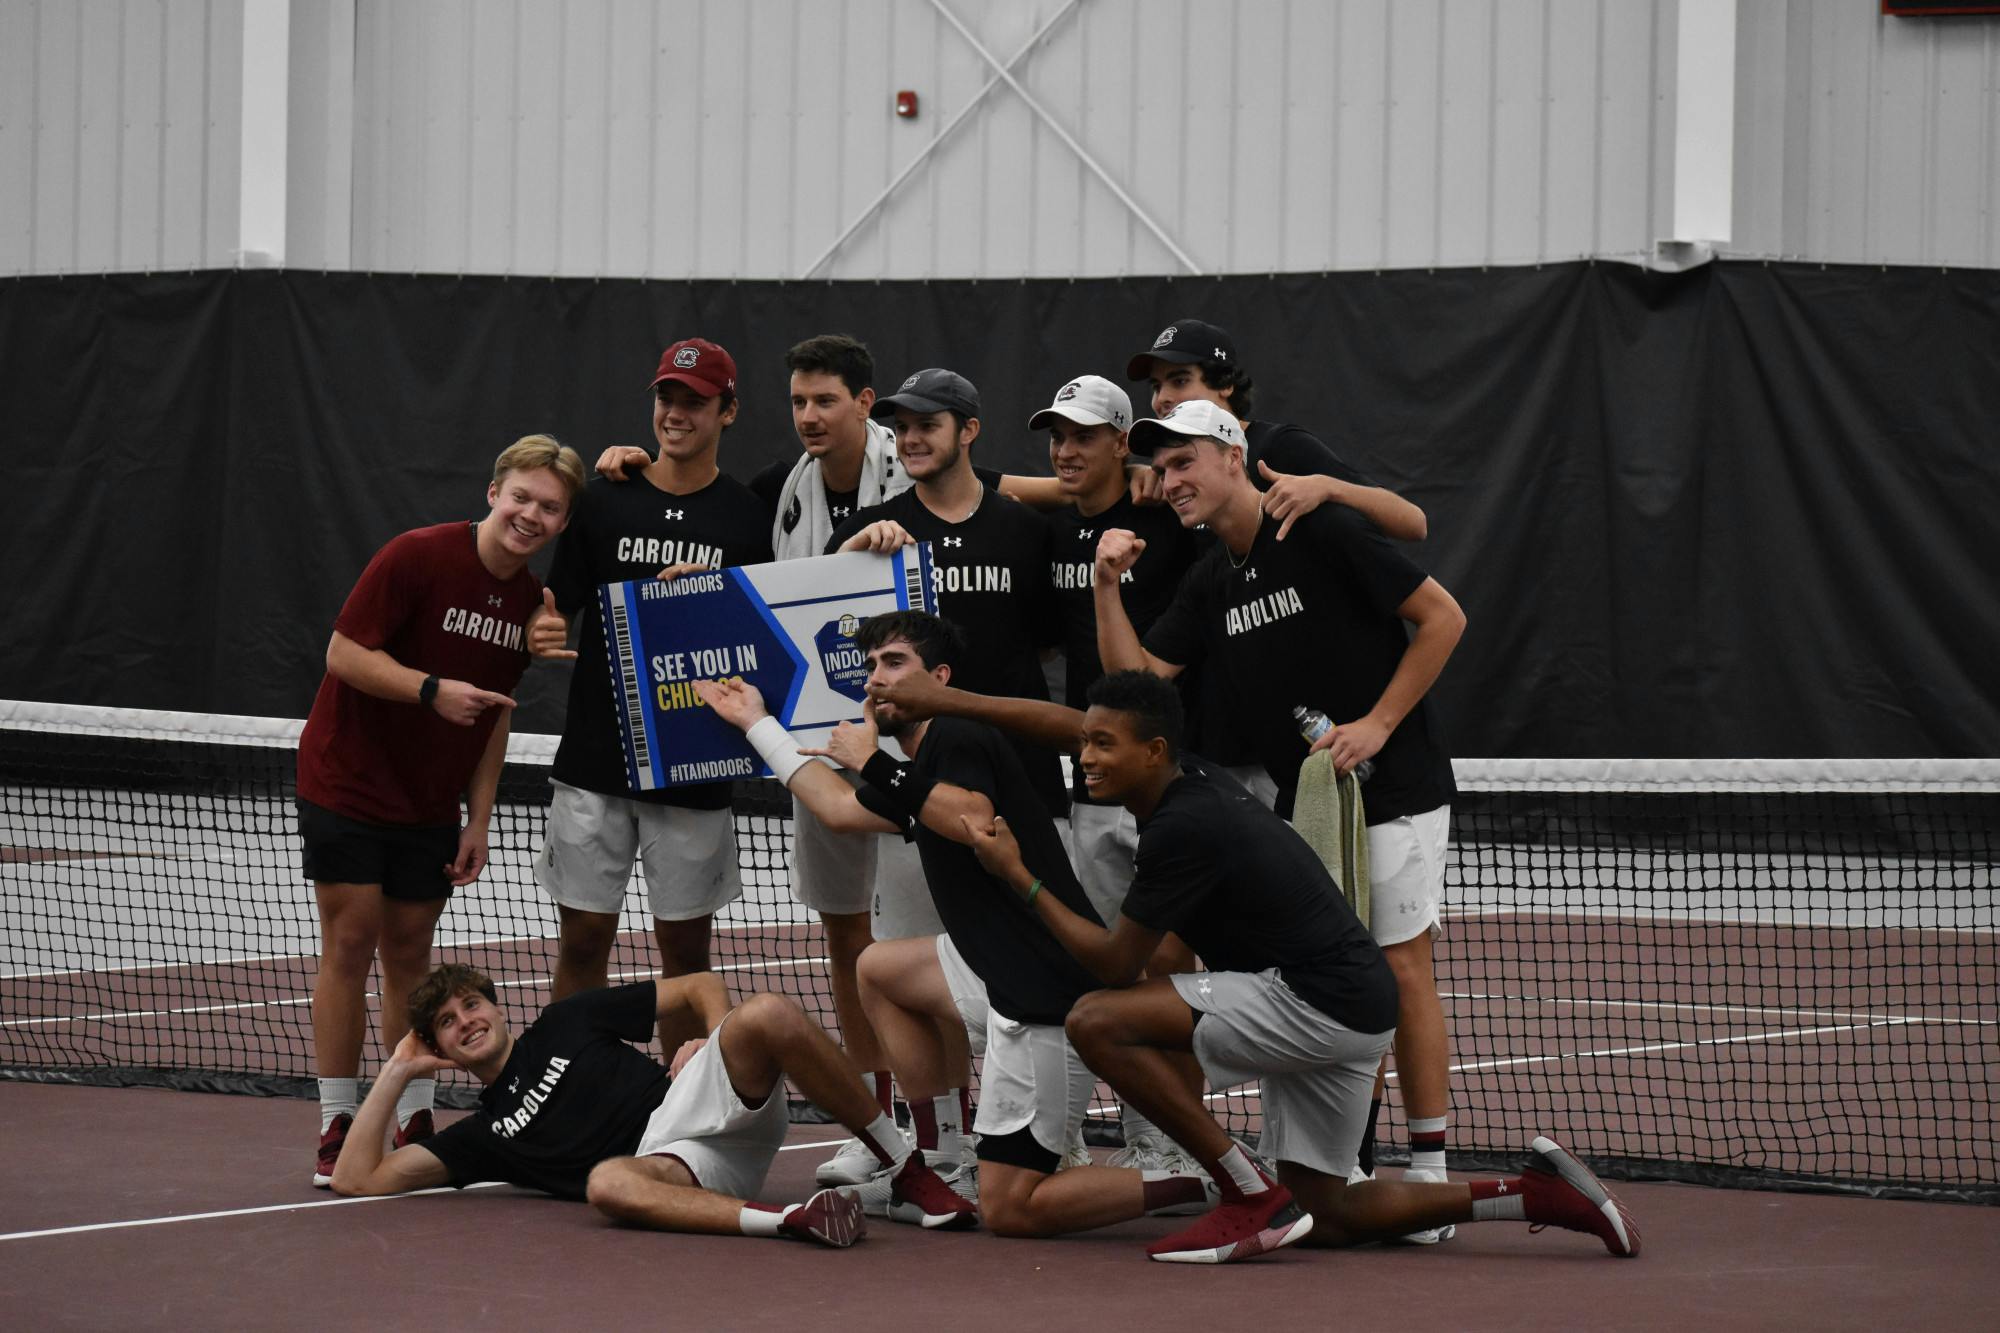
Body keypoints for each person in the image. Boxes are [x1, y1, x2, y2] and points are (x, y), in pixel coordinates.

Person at [958, 670, 1640, 1264]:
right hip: (1356, 1004)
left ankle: (1244, 1186)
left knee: (1095, 1021)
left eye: (1104, 744)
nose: (1086, 759)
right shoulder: (1193, 784)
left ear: (1154, 750)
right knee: (1327, 1215)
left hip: (1312, 998)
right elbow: (1165, 955)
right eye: (1084, 743)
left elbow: (1114, 964)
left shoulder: (1180, 827)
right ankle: (1531, 1193)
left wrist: (1018, 873)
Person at [692, 611, 1216, 1241]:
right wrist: (756, 721)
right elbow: (834, 808)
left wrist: (871, 762)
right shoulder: (919, 765)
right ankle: (945, 1162)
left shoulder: (957, 737)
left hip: (1045, 996)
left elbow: (970, 817)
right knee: (879, 968)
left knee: (1012, 1211)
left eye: (894, 663)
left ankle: (1218, 1178)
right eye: (869, 668)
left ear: (939, 679)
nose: (875, 681)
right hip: (994, 967)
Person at [1095, 398, 1469, 1236]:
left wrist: (1376, 722)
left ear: (1234, 454)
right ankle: (1356, 1168)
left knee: (1399, 966)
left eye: (1186, 460)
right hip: (1309, 808)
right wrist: (1106, 585)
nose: (1171, 480)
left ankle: (1433, 1170)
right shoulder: (1211, 572)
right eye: (1162, 466)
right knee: (1332, 970)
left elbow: (1444, 617)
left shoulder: (1323, 530)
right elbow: (1140, 693)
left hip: (1394, 789)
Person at [297, 434, 584, 1186]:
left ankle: (411, 1111)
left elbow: (495, 714)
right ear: (493, 492)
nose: (530, 514)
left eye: (549, 507)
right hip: (347, 782)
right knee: (349, 943)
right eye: (521, 496)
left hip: (428, 804)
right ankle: (336, 1121)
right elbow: (343, 654)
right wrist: (430, 688)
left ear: (561, 523)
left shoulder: (530, 604)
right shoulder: (415, 556)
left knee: (410, 960)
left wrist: (479, 816)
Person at [525, 339, 774, 1062]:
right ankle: (566, 1086)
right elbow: (556, 604)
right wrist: (539, 626)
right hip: (596, 761)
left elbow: (764, 641)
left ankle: (681, 1111)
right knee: (582, 941)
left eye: (695, 401)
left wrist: (699, 605)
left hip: (694, 768)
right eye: (667, 397)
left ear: (727, 411)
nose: (676, 413)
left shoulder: (749, 518)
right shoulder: (606, 494)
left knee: (687, 955)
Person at [327, 963, 975, 1240]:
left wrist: (711, 1036)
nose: (465, 1020)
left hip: (698, 1101)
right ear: (439, 1045)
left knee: (768, 1013)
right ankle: (791, 1220)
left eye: (471, 1003)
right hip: (673, 1170)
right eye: (445, 1022)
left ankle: (905, 1166)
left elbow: (699, 984)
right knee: (607, 1183)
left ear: (496, 1005)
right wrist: (398, 1066)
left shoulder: (566, 1019)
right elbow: (359, 1177)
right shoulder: (481, 1134)